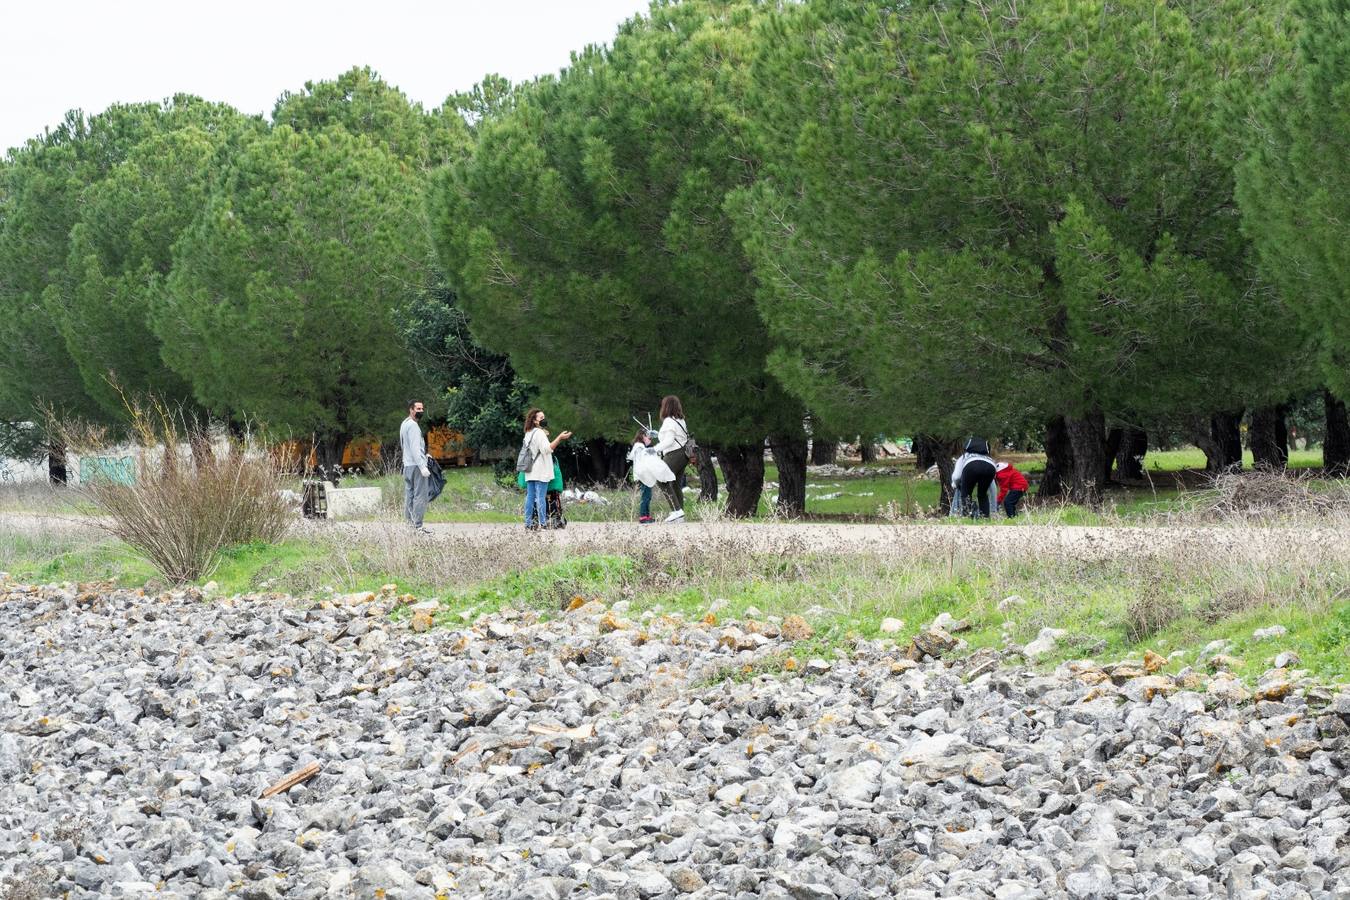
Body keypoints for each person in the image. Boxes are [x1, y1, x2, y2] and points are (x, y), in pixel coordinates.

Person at [521, 408, 571, 530]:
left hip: (530, 470)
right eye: (541, 418)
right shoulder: (539, 433)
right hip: (541, 471)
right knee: (541, 497)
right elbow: (546, 449)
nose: (544, 419)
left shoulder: (528, 433)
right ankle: (543, 524)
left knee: (530, 497)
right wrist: (559, 438)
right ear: (535, 420)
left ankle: (529, 524)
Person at [654, 395, 694, 523]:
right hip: (684, 455)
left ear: (666, 406)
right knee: (675, 484)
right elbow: (673, 437)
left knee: (661, 480)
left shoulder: (669, 421)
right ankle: (679, 515)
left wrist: (653, 449)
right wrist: (657, 434)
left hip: (674, 454)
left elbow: (669, 441)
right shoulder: (680, 420)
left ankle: (677, 511)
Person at [628, 428, 675, 524]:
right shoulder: (639, 446)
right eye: (647, 436)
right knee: (646, 496)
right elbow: (643, 460)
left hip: (642, 474)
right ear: (642, 436)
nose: (649, 438)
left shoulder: (640, 446)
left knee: (647, 495)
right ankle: (643, 516)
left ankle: (646, 516)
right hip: (642, 474)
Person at [401, 400, 432, 534]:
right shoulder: (413, 425)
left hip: (407, 465)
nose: (421, 411)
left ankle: (409, 525)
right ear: (411, 410)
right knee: (420, 496)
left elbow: (406, 446)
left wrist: (424, 456)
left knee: (410, 495)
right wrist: (422, 465)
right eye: (418, 409)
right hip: (416, 466)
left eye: (422, 409)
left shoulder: (404, 424)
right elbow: (414, 447)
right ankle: (418, 526)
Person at [951, 437, 997, 519]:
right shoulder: (988, 458)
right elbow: (992, 486)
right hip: (991, 467)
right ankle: (985, 518)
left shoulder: (964, 456)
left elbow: (957, 476)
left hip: (971, 466)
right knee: (982, 494)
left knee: (966, 494)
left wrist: (955, 484)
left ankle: (967, 517)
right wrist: (994, 508)